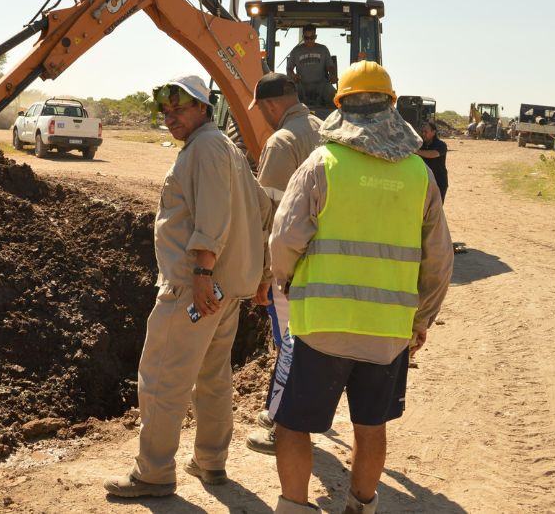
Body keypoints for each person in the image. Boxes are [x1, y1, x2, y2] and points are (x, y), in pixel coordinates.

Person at [266, 62, 453, 514]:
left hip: (322, 327)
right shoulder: (418, 175)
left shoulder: (322, 163)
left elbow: (284, 240)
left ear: (340, 106)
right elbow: (439, 260)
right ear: (391, 105)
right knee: (370, 428)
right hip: (388, 334)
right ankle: (361, 507)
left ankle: (294, 507)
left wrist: (285, 284)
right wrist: (421, 319)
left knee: (293, 426)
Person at [104, 74, 269, 498]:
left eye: (180, 109)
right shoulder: (225, 148)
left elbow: (212, 217)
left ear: (203, 107)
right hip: (225, 291)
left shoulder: (206, 149)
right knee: (213, 377)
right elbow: (259, 210)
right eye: (166, 111)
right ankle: (210, 462)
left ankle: (154, 472)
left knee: (162, 378)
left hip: (193, 291)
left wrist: (201, 274)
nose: (171, 118)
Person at [243, 72, 322, 456]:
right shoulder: (325, 130)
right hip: (323, 262)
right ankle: (290, 415)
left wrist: (262, 274)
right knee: (305, 344)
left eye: (259, 109)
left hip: (289, 266)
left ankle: (279, 425)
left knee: (288, 345)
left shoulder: (282, 142)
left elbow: (269, 216)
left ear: (271, 105)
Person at [284, 25, 336, 109]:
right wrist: (293, 76)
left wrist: (332, 75)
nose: (309, 40)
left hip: (321, 85)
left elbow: (330, 66)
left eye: (312, 37)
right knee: (288, 99)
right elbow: (289, 68)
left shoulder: (323, 49)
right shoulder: (296, 51)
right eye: (306, 38)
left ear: (315, 36)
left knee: (335, 97)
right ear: (303, 37)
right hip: (301, 86)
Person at [415, 120, 449, 202]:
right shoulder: (420, 145)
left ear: (433, 132)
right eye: (422, 132)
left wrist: (416, 151)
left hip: (439, 181)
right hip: (423, 181)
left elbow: (433, 154)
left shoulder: (441, 145)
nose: (423, 134)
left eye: (426, 132)